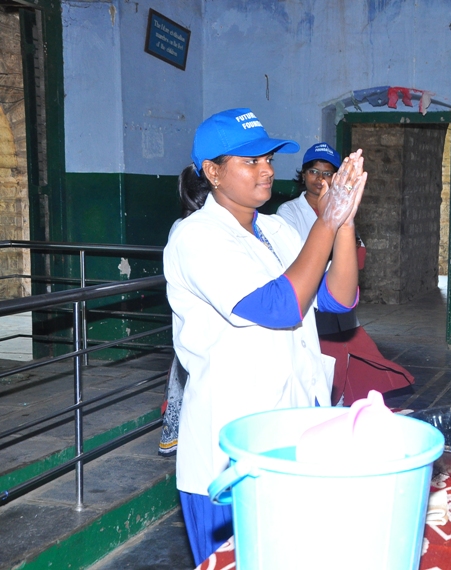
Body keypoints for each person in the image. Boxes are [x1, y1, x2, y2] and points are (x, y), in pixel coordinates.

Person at [163, 108, 366, 564]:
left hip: (293, 430)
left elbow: (338, 298)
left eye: (269, 158)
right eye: (251, 161)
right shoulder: (195, 238)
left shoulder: (275, 229)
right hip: (229, 450)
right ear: (213, 172)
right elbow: (280, 307)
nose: (268, 169)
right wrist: (326, 223)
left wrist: (345, 221)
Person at [276, 142, 414, 405]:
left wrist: (339, 244)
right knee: (320, 367)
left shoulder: (343, 208)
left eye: (328, 173)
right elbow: (300, 258)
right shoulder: (289, 212)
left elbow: (355, 253)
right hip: (312, 303)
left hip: (337, 300)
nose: (320, 179)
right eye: (314, 172)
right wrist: (333, 246)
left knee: (348, 364)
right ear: (303, 174)